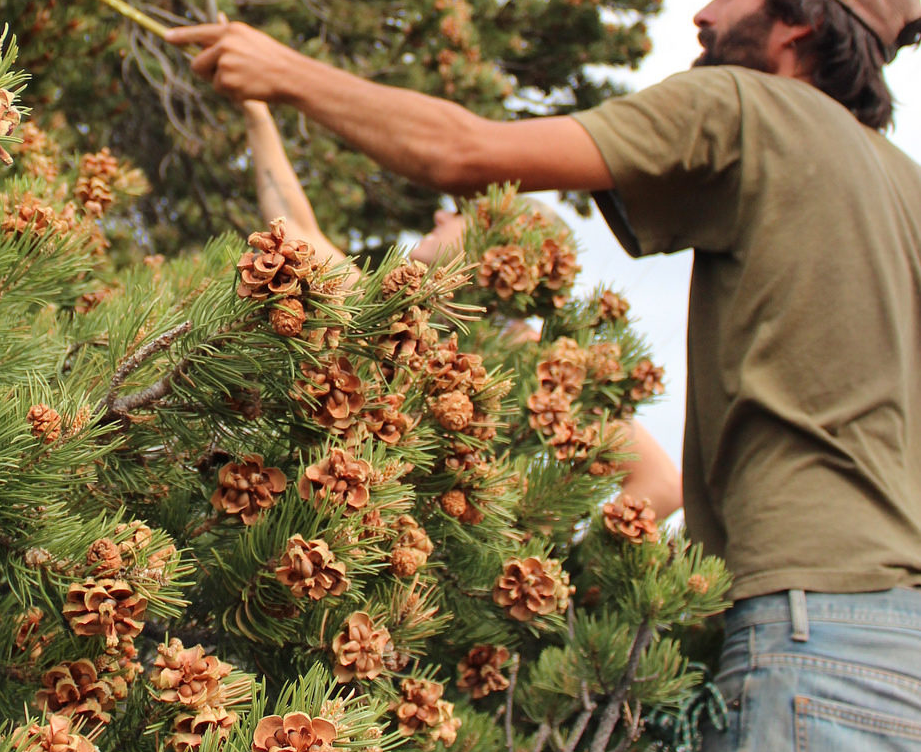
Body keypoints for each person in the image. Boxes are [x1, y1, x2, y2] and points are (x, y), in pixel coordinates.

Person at [167, 0, 921, 752]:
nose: (703, 17)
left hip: (810, 640)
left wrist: (284, 73)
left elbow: (466, 152)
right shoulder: (904, 189)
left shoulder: (747, 106)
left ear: (800, 22)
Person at [241, 97, 684, 519]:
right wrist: (256, 109)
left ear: (505, 249)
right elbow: (293, 225)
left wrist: (542, 538)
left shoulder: (541, 370)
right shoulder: (388, 318)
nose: (439, 217)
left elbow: (661, 483)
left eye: (460, 213)